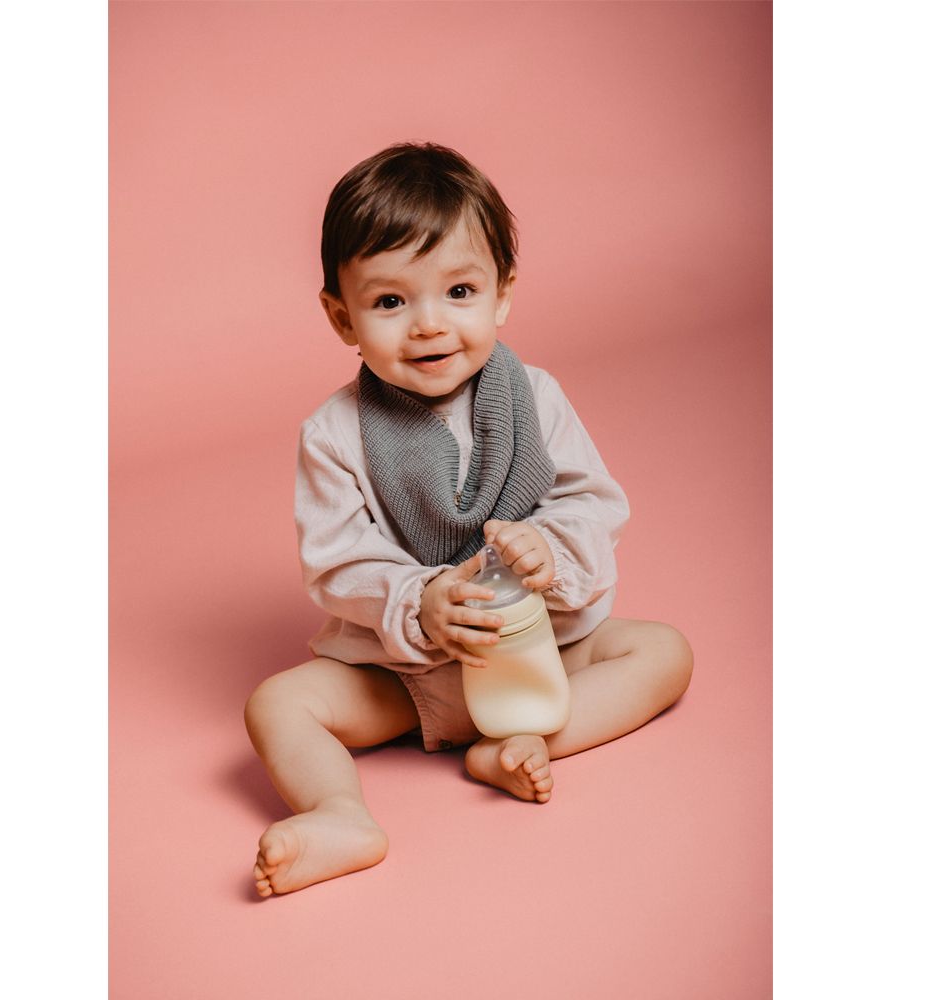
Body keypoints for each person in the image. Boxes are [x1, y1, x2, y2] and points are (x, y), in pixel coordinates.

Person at [245, 143, 693, 896]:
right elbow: (336, 558)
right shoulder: (334, 433)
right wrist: (420, 599)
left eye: (458, 291)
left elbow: (591, 500)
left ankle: (522, 737)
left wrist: (549, 545)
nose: (429, 325)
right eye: (390, 302)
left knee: (664, 653)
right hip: (408, 676)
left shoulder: (534, 396)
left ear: (502, 295)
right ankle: (340, 815)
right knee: (277, 704)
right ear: (342, 316)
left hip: (540, 651)